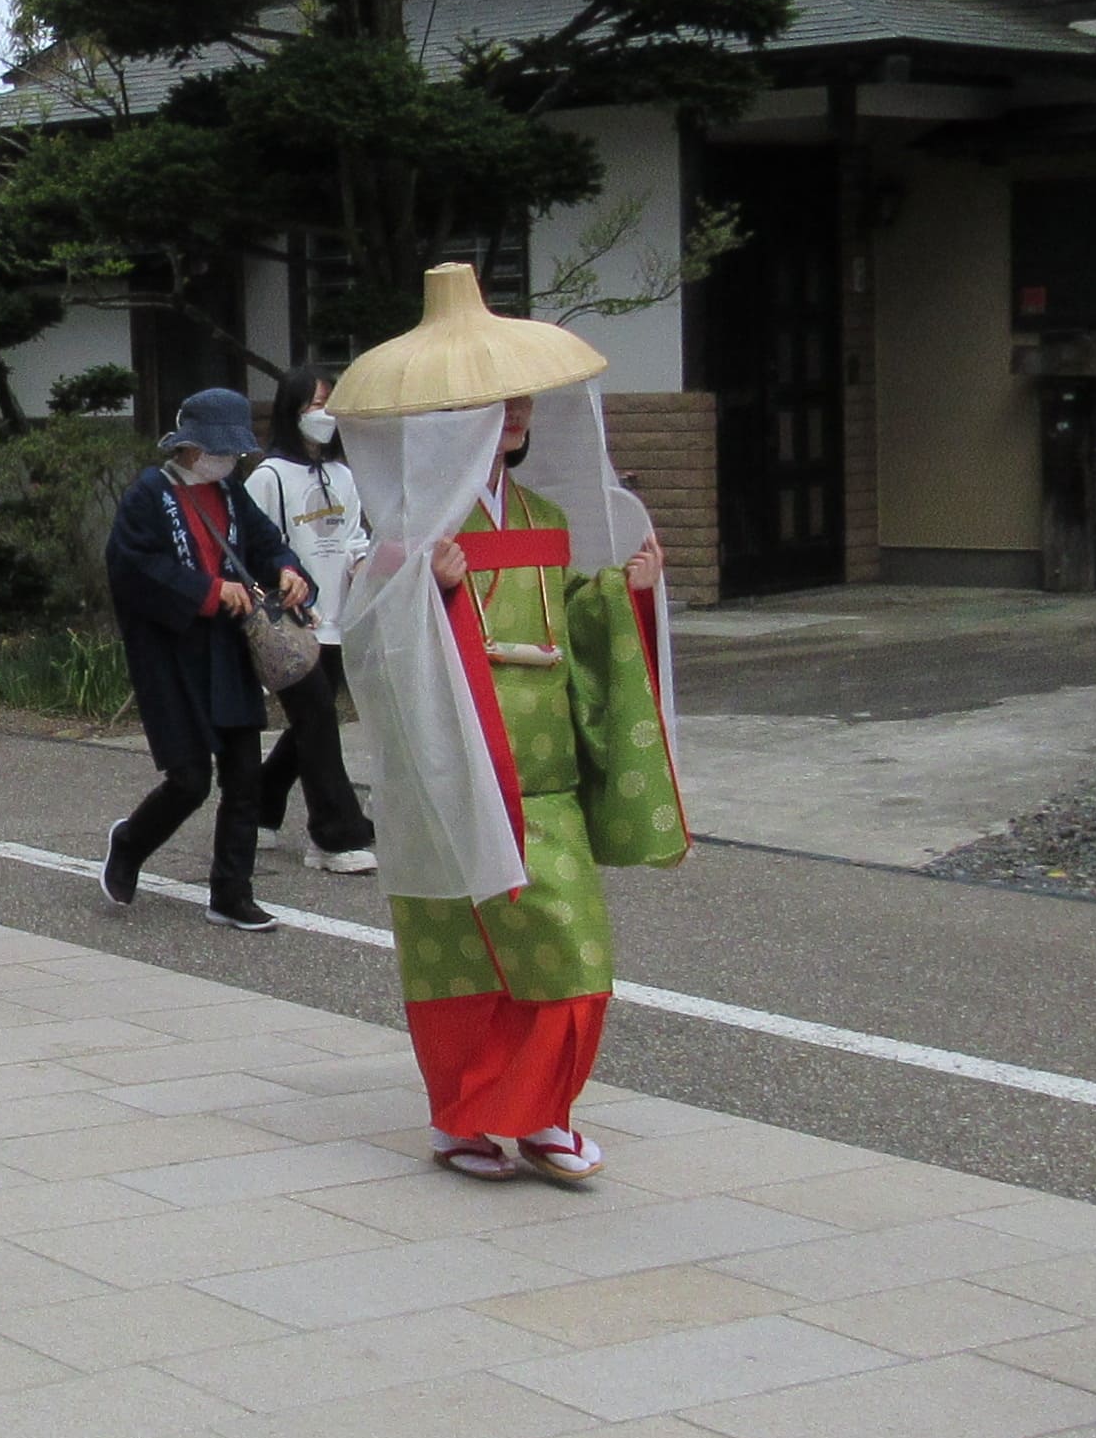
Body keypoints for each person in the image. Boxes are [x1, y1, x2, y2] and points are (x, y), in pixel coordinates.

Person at [329, 267, 685, 1185]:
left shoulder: (548, 516)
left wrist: (622, 594)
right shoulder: (406, 528)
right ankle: (463, 1120)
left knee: (570, 951)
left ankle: (540, 1112)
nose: (517, 409)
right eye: (496, 399)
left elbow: (568, 613)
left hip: (544, 775)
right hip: (452, 776)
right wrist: (422, 587)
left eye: (520, 396)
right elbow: (364, 643)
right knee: (458, 958)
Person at [102, 384, 304, 931]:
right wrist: (207, 592)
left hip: (229, 649)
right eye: (222, 450)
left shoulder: (232, 491)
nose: (228, 459)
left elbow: (266, 542)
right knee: (190, 779)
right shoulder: (150, 492)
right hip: (172, 653)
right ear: (190, 446)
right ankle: (130, 842)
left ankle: (232, 892)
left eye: (234, 451)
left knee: (244, 777)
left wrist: (287, 568)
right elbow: (131, 566)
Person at [246, 375, 376, 873]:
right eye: (315, 404)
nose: (324, 414)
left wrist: (363, 565)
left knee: (312, 724)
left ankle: (260, 803)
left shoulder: (343, 474)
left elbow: (354, 536)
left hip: (340, 620)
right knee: (318, 720)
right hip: (295, 625)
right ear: (292, 409)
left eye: (329, 404)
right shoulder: (269, 477)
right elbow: (256, 548)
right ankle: (335, 834)